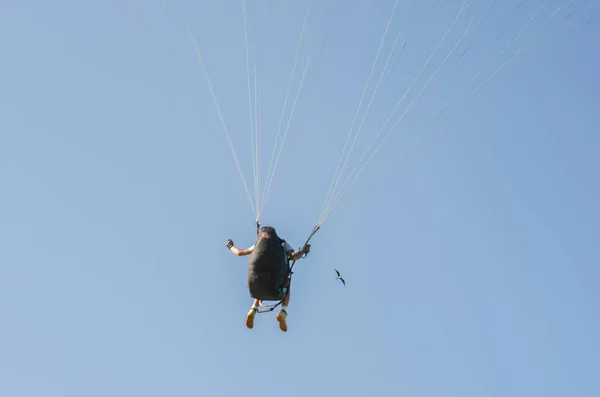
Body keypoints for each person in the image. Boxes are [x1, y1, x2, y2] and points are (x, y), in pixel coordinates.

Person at [226, 226, 309, 332]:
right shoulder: (281, 243)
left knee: (261, 283)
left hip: (257, 274)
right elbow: (294, 257)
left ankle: (253, 309)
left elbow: (239, 252)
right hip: (274, 275)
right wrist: (304, 251)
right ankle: (283, 312)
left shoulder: (257, 244)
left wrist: (230, 246)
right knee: (286, 285)